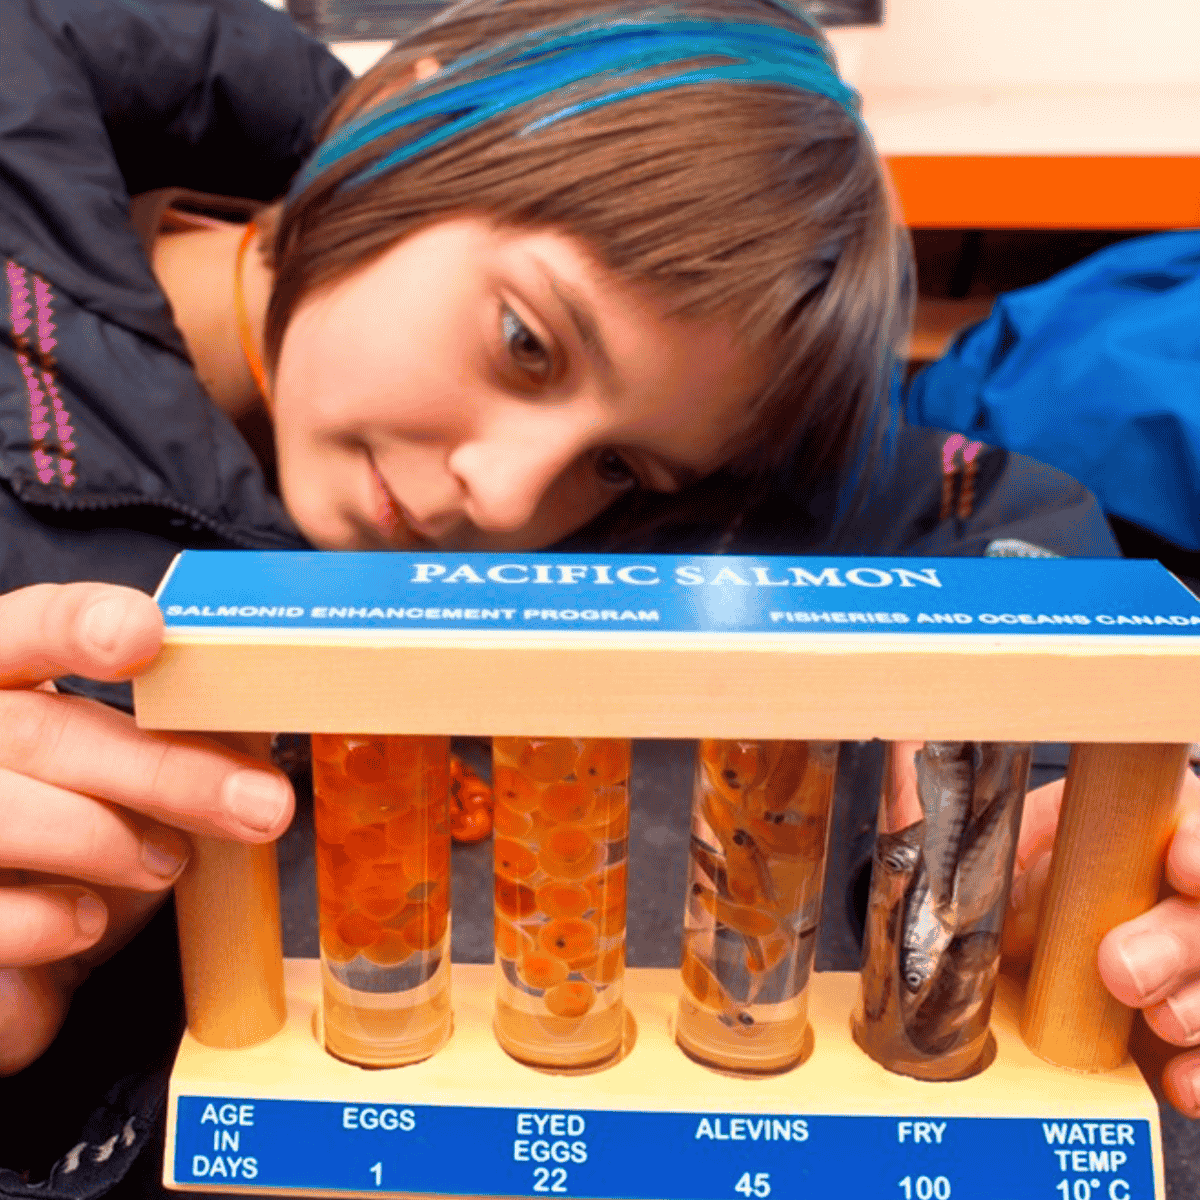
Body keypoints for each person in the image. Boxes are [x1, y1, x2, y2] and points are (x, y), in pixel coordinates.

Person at [1, 0, 1196, 1194]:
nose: (509, 498)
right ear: (404, 109)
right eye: (528, 341)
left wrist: (1051, 834)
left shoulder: (678, 472)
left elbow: (965, 509)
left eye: (617, 465)